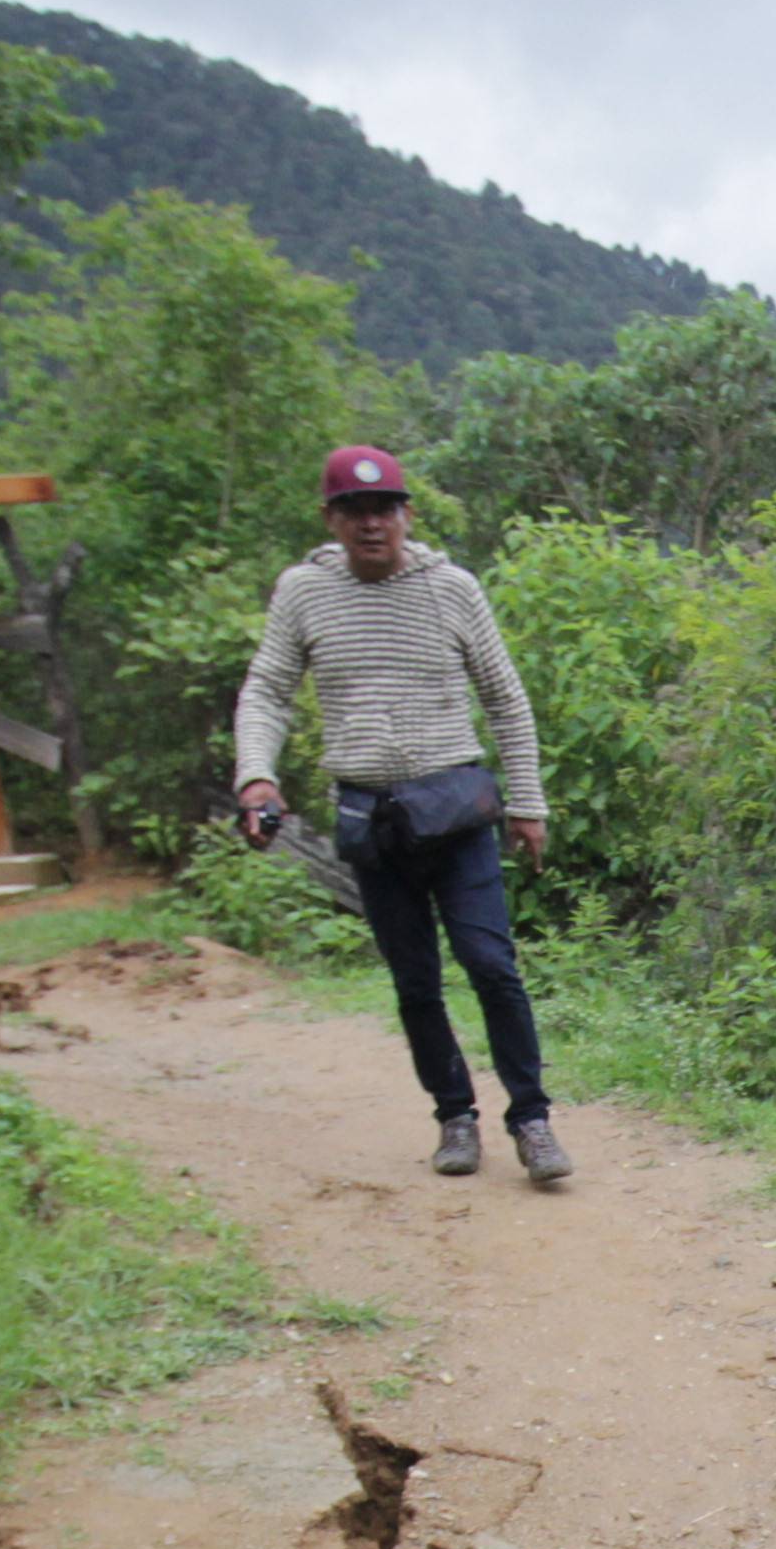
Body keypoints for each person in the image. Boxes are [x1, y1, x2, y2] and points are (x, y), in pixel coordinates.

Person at [230, 445, 569, 1182]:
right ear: (331, 519)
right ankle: (455, 1118)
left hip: (456, 809)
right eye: (354, 511)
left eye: (384, 508)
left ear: (407, 514)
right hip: (370, 817)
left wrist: (527, 803)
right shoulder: (302, 592)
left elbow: (506, 699)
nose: (372, 524)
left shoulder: (452, 589)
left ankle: (533, 1120)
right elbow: (267, 692)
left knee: (491, 965)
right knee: (414, 979)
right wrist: (256, 777)